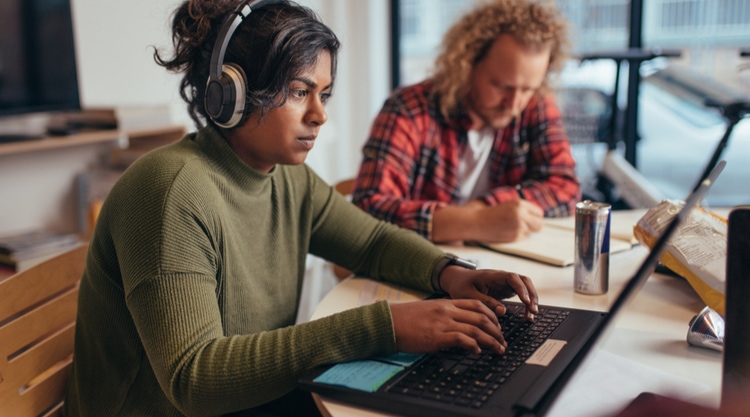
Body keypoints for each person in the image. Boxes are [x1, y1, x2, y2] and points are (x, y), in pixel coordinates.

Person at [63, 1, 539, 416]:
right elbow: (194, 379)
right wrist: (384, 327)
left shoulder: (284, 175)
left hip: (247, 398)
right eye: (299, 91)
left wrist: (450, 273)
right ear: (232, 93)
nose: (320, 114)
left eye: (324, 94)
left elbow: (371, 241)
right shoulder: (169, 192)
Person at [352, 0, 581, 245]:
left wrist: (486, 206)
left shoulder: (535, 104)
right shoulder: (409, 110)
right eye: (502, 86)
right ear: (467, 63)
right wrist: (475, 221)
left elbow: (566, 188)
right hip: (422, 269)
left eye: (527, 89)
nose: (514, 103)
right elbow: (368, 210)